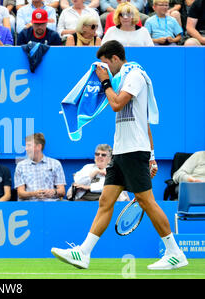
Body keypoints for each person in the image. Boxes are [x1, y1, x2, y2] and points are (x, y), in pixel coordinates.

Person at [51, 40, 188, 270]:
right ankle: (83, 253)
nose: (104, 69)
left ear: (115, 58)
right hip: (122, 152)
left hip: (134, 152)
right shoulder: (120, 79)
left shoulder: (134, 75)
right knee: (105, 201)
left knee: (146, 201)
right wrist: (153, 156)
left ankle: (175, 253)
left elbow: (116, 104)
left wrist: (105, 81)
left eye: (105, 64)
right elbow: (143, 122)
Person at [14, 133, 66, 201]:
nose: (26, 149)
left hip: (50, 204)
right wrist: (34, 194)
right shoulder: (21, 166)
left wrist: (54, 192)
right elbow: (20, 193)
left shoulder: (55, 164)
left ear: (39, 147)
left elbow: (62, 191)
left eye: (29, 145)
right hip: (30, 205)